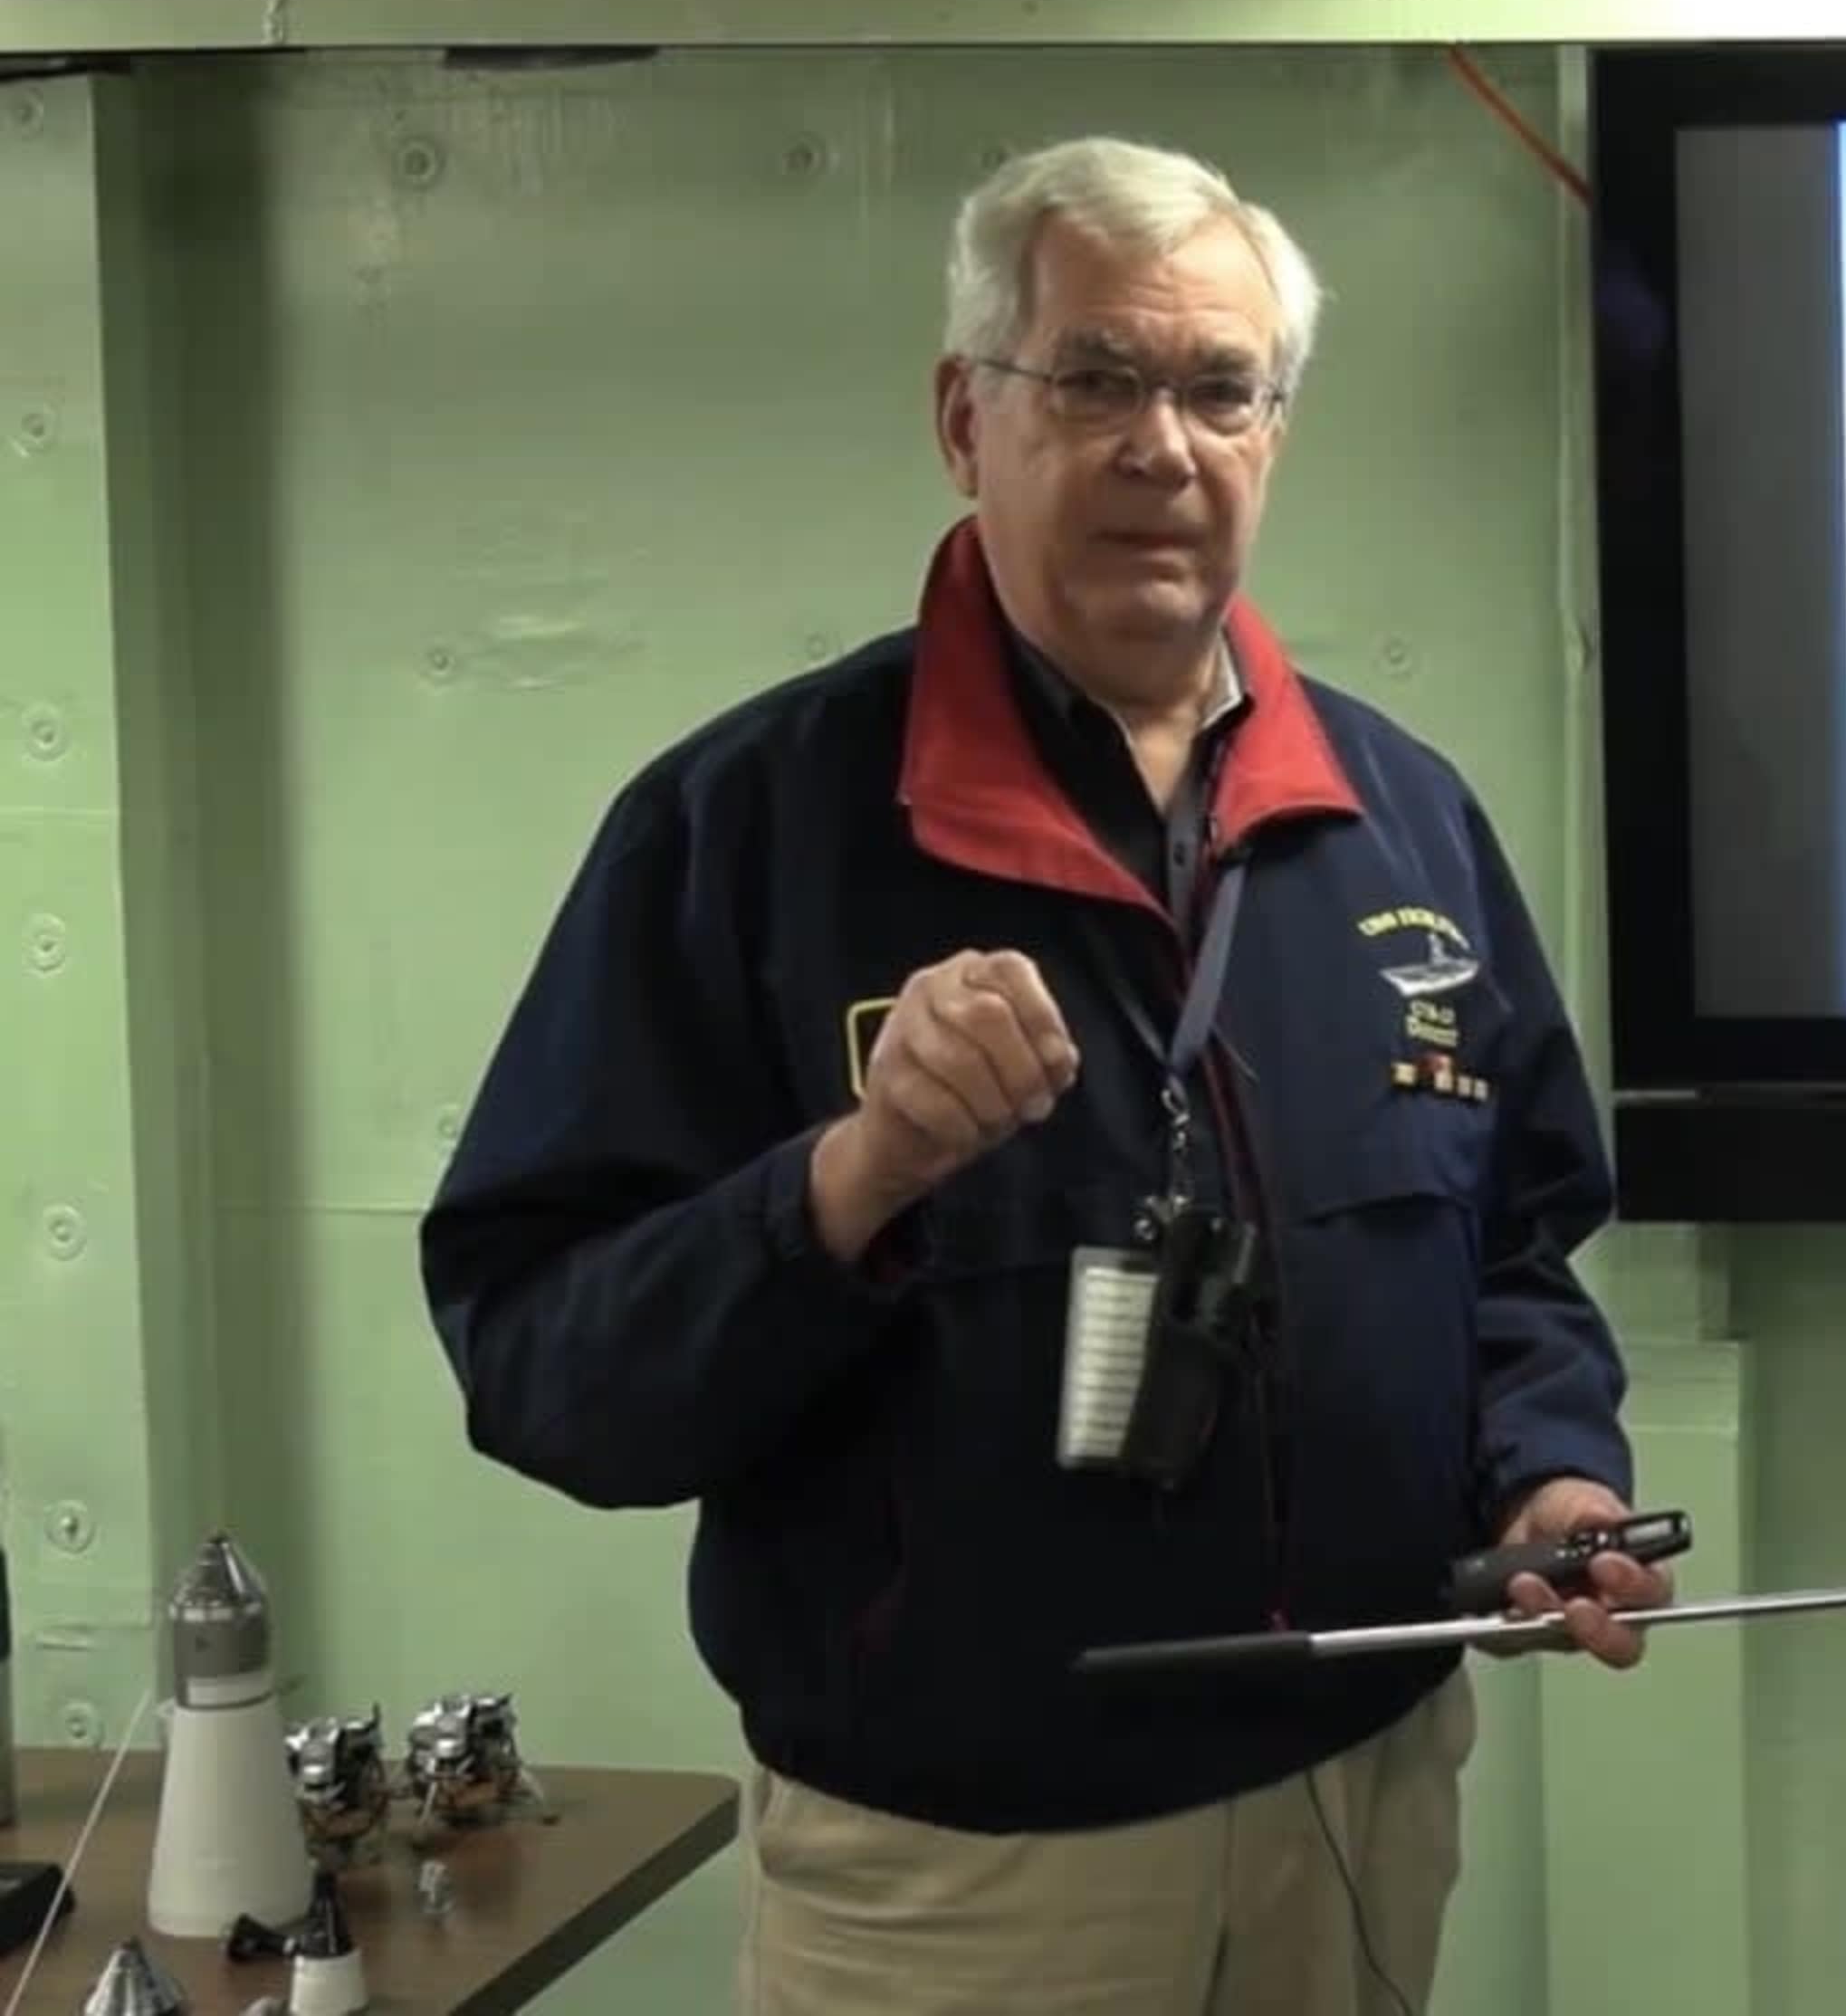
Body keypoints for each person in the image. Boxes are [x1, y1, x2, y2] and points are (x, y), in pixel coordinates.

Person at [418, 136, 1668, 2015]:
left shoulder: (1399, 820)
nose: (1163, 447)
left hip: (1363, 1805)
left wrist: (1550, 1479)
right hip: (962, 1879)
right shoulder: (748, 831)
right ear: (964, 419)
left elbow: (1510, 1257)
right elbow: (542, 1364)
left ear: (1275, 432)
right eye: (1094, 379)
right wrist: (851, 1176)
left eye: (1222, 389)